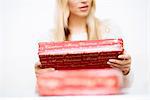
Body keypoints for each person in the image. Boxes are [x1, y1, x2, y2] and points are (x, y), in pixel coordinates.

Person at [35, 0, 132, 87]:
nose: (84, 1)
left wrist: (126, 70)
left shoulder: (109, 30)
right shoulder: (50, 38)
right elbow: (42, 90)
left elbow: (125, 86)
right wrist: (40, 78)